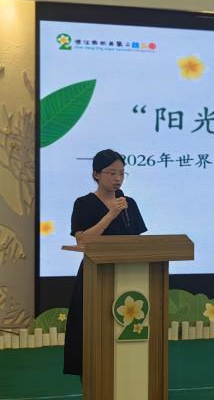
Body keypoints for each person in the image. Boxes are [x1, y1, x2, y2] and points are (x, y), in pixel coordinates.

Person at [63, 149, 147, 377]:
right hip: (95, 275)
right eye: (111, 173)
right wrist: (110, 214)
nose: (118, 178)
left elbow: (139, 242)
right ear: (96, 174)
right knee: (91, 331)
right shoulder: (84, 203)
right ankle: (92, 381)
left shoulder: (129, 204)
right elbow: (82, 240)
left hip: (128, 276)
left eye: (122, 173)